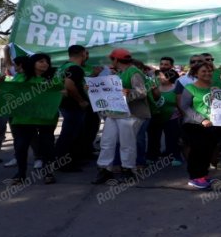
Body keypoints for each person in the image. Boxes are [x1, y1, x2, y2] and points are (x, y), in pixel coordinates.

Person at [92, 48, 150, 184]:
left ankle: (128, 170)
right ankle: (105, 170)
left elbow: (142, 92)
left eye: (112, 59)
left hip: (130, 114)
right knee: (107, 142)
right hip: (115, 112)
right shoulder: (122, 72)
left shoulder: (134, 72)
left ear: (116, 60)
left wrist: (127, 94)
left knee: (127, 143)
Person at [8, 53, 61, 185]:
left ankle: (48, 172)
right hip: (23, 118)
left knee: (47, 146)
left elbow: (62, 93)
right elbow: (10, 93)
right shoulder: (21, 78)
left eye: (47, 62)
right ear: (33, 63)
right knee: (21, 146)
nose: (45, 64)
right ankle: (21, 173)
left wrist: (62, 93)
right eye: (41, 61)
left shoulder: (52, 79)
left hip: (46, 118)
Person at [179, 61, 218, 189]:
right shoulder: (190, 88)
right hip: (194, 125)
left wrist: (218, 95)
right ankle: (195, 177)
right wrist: (201, 120)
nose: (207, 73)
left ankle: (203, 175)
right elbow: (185, 107)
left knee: (208, 151)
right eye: (203, 71)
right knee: (197, 152)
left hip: (212, 125)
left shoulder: (214, 87)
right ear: (196, 73)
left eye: (209, 71)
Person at [55, 45, 91, 172]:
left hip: (64, 104)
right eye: (86, 53)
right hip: (73, 106)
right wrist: (80, 100)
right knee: (69, 135)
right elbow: (69, 84)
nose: (87, 56)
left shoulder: (63, 66)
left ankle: (65, 160)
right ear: (82, 54)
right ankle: (63, 163)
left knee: (68, 133)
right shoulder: (76, 69)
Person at [147, 69, 182, 166]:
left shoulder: (176, 88)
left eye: (162, 76)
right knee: (153, 137)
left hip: (172, 117)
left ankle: (175, 156)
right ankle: (152, 156)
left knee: (172, 138)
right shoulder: (153, 87)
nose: (159, 77)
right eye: (159, 75)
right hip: (155, 117)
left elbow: (180, 104)